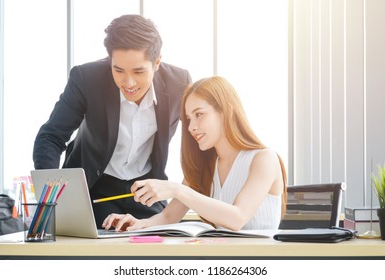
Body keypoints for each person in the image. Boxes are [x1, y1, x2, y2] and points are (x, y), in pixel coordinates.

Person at [33, 14, 192, 227]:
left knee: (158, 241)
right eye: (118, 70)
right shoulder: (86, 78)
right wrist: (52, 197)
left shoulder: (179, 83)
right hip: (95, 187)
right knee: (96, 245)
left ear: (157, 62)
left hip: (145, 189)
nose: (129, 82)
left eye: (139, 71)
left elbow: (198, 144)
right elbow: (51, 137)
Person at [102, 76, 287, 231]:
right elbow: (168, 216)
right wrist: (138, 223)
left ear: (227, 112)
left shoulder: (264, 159)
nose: (191, 127)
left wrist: (176, 189)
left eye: (199, 115)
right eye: (188, 119)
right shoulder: (202, 167)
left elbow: (237, 218)